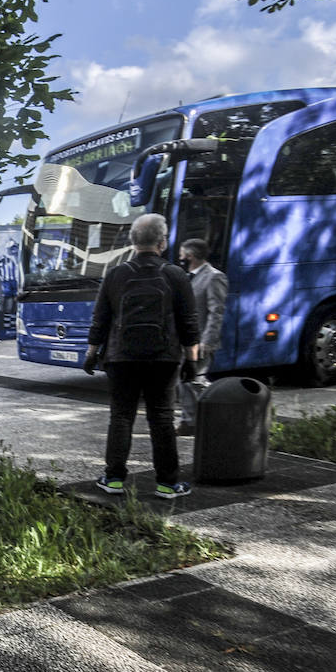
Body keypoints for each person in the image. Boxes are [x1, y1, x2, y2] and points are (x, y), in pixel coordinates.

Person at [82, 213, 200, 499]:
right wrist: (192, 360)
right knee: (161, 418)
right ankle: (168, 484)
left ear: (133, 242)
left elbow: (100, 319)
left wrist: (91, 352)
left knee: (121, 416)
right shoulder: (175, 274)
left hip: (121, 357)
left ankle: (113, 479)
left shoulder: (115, 274)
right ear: (162, 242)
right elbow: (189, 322)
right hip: (164, 358)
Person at [176, 239, 228, 436]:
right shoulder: (189, 276)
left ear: (190, 256)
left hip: (201, 341)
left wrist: (208, 341)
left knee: (196, 381)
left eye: (182, 254)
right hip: (185, 339)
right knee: (185, 382)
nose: (180, 258)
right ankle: (189, 422)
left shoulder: (214, 277)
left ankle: (221, 412)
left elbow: (216, 312)